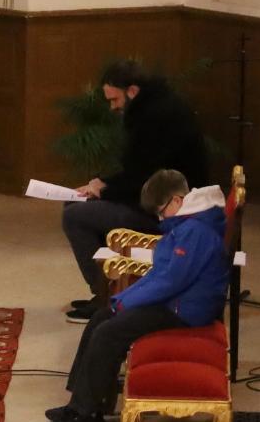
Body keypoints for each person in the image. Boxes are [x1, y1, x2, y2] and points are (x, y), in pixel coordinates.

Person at [46, 169, 229, 422]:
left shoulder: (195, 231)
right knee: (101, 317)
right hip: (175, 301)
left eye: (161, 210)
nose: (159, 218)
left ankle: (86, 415)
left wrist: (124, 304)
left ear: (177, 201)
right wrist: (120, 300)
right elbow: (160, 273)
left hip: (185, 310)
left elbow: (170, 282)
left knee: (110, 331)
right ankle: (83, 404)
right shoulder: (187, 224)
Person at [59, 60, 209, 321]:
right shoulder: (158, 107)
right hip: (160, 200)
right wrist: (102, 184)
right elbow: (140, 171)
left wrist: (103, 189)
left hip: (167, 212)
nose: (113, 107)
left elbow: (143, 181)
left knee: (75, 216)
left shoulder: (155, 118)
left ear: (132, 92)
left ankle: (106, 298)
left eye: (114, 99)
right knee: (77, 206)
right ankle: (107, 289)